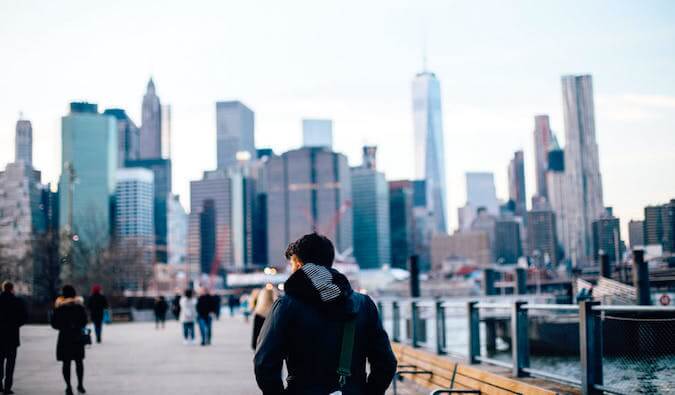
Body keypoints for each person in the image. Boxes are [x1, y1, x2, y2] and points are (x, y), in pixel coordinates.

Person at [254, 233, 397, 395]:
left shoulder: (285, 306)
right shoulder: (363, 305)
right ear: (330, 262)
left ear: (299, 265)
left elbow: (264, 364)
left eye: (292, 265)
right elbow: (386, 363)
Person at [51, 285, 88, 395]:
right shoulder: (79, 306)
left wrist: (63, 327)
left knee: (66, 363)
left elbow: (54, 323)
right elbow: (84, 321)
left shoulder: (59, 307)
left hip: (64, 337)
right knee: (79, 362)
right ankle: (80, 385)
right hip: (77, 336)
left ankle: (68, 387)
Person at [0, 281, 27, 395]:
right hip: (12, 336)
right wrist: (15, 325)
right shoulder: (17, 301)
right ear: (12, 289)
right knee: (10, 364)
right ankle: (7, 387)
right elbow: (23, 317)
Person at [251, 284, 277, 350]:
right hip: (271, 347)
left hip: (260, 313)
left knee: (258, 331)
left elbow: (256, 333)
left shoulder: (262, 293)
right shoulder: (274, 312)